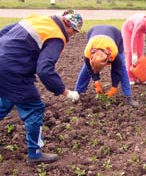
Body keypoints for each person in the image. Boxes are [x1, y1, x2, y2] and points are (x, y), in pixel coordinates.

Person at [0, 9, 83, 164]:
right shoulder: (56, 36)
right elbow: (45, 70)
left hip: (3, 64)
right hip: (14, 71)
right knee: (35, 108)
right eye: (75, 32)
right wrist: (65, 92)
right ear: (69, 26)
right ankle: (35, 154)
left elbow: (4, 31)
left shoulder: (37, 19)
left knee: (5, 102)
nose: (73, 35)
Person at [75, 25, 138, 107]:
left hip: (116, 35)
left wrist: (114, 87)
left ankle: (128, 96)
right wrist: (96, 81)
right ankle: (77, 93)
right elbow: (89, 68)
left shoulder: (114, 52)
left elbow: (116, 70)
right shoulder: (88, 52)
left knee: (122, 67)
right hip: (93, 32)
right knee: (86, 68)